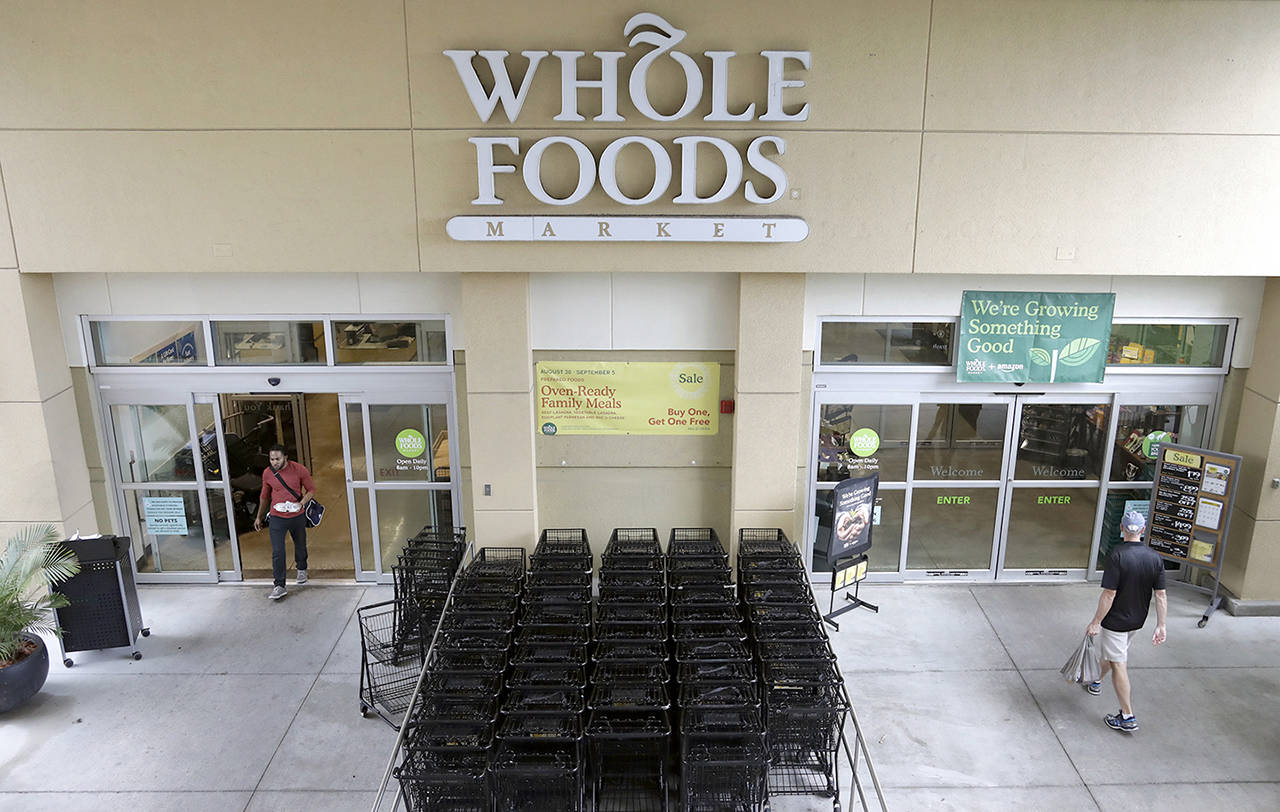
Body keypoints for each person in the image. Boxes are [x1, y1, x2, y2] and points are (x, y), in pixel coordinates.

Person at [1084, 510, 1167, 732]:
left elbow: (1109, 594)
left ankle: (1127, 716)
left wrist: (1096, 622)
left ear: (1122, 529)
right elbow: (1160, 595)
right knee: (1113, 655)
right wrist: (1161, 625)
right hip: (1137, 621)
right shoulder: (1155, 558)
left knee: (1119, 663)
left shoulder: (1117, 556)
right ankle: (1096, 680)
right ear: (1142, 530)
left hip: (1115, 623)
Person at [253, 444, 315, 600]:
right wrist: (259, 516)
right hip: (276, 516)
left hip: (297, 514)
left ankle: (301, 568)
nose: (274, 462)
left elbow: (311, 490)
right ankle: (279, 585)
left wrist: (301, 504)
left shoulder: (299, 469)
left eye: (277, 459)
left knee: (300, 544)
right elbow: (264, 496)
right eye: (271, 459)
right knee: (278, 551)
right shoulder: (268, 473)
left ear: (285, 457)